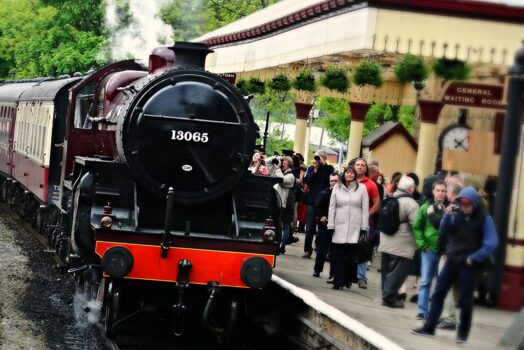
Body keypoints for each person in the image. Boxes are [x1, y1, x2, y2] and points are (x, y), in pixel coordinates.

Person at [411, 187, 498, 344]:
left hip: (468, 263)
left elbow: (492, 242)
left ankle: (462, 333)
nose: (464, 207)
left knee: (465, 299)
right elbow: (444, 230)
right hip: (452, 259)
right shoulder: (456, 214)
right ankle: (429, 326)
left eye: (468, 204)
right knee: (438, 294)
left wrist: (475, 257)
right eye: (462, 204)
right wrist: (447, 215)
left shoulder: (484, 218)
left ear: (475, 203)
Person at [379, 175, 420, 308]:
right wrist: (420, 243)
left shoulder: (389, 197)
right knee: (398, 272)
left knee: (386, 270)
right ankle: (389, 298)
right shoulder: (411, 204)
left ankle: (386, 294)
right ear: (411, 188)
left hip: (385, 240)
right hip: (402, 244)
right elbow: (416, 225)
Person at [327, 167, 369, 290]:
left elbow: (365, 209)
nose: (349, 175)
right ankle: (337, 281)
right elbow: (332, 207)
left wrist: (364, 227)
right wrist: (331, 224)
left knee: (350, 257)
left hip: (355, 227)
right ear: (344, 174)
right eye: (347, 172)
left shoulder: (362, 189)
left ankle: (347, 280)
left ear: (355, 175)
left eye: (352, 173)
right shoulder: (337, 187)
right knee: (338, 256)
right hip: (339, 226)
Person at [413, 180, 447, 320]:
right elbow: (417, 227)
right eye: (438, 190)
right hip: (429, 250)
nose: (440, 193)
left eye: (443, 191)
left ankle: (436, 312)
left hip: (444, 251)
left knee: (441, 283)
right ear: (433, 191)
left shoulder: (448, 208)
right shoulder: (425, 207)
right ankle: (422, 310)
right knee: (426, 280)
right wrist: (422, 245)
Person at [303, 150, 335, 258]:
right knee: (309, 228)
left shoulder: (329, 168)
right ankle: (307, 250)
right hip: (312, 201)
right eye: (317, 157)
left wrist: (323, 165)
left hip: (324, 203)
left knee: (323, 227)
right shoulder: (312, 168)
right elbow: (307, 180)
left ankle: (320, 248)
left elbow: (329, 179)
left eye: (320, 157)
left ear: (325, 158)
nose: (317, 159)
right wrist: (315, 170)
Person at [354, 158, 380, 289]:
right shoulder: (348, 181)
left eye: (362, 165)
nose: (359, 167)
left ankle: (361, 277)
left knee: (364, 247)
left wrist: (366, 215)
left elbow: (377, 204)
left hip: (364, 220)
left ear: (366, 168)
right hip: (348, 219)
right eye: (357, 165)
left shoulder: (371, 184)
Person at [313, 172, 339, 278]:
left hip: (338, 226)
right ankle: (317, 270)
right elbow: (317, 206)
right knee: (322, 250)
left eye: (335, 181)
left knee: (334, 252)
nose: (333, 183)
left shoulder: (343, 194)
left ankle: (332, 274)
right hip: (325, 225)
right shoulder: (324, 193)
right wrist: (321, 216)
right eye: (331, 181)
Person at [268, 155, 295, 253]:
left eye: (285, 163)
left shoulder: (291, 176)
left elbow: (281, 179)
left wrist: (278, 168)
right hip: (272, 202)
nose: (282, 164)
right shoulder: (278, 171)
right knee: (271, 225)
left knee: (278, 226)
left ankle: (278, 246)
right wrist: (276, 157)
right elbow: (268, 162)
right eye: (282, 162)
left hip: (280, 204)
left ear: (289, 166)